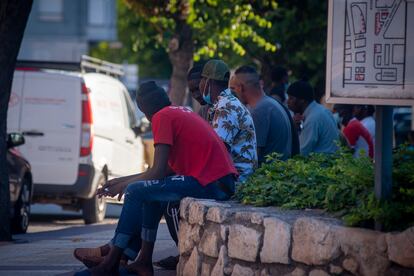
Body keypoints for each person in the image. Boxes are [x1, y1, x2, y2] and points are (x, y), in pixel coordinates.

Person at [74, 81, 238, 276]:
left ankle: (112, 260)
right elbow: (164, 171)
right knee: (150, 193)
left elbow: (158, 172)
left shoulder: (162, 117)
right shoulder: (178, 112)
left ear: (144, 110)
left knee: (136, 191)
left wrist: (126, 186)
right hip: (220, 183)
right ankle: (142, 260)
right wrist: (121, 181)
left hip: (211, 184)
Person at [200, 59, 258, 182]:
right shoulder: (227, 102)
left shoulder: (225, 108)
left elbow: (217, 154)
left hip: (237, 184)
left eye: (201, 79)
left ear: (207, 82)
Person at [230, 65, 299, 163]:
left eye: (234, 88)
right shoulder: (271, 103)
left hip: (268, 175)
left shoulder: (259, 111)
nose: (233, 93)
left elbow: (252, 156)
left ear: (240, 88)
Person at [287, 80, 339, 155]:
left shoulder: (313, 118)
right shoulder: (321, 110)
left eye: (291, 98)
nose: (288, 101)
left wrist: (292, 129)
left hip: (322, 165)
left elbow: (301, 152)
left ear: (302, 100)